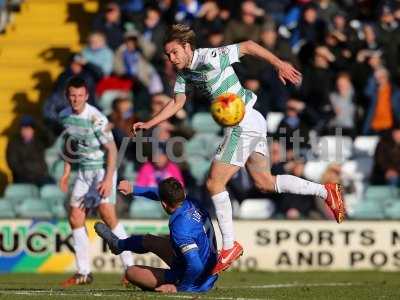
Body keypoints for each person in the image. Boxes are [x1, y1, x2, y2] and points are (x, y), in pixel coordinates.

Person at [132, 24, 345, 275]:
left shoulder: (210, 57)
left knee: (213, 183)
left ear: (187, 47)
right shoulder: (184, 75)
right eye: (168, 55)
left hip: (243, 122)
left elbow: (249, 46)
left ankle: (229, 246)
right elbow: (178, 102)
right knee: (264, 181)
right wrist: (150, 122)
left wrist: (279, 64)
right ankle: (326, 191)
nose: (171, 58)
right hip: (250, 121)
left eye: (174, 52)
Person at [58, 77, 133, 286]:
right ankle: (83, 272)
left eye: (80, 95)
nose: (76, 99)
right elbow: (68, 144)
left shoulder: (96, 118)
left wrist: (108, 179)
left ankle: (130, 268)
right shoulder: (64, 116)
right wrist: (66, 173)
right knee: (75, 217)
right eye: (72, 95)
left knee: (107, 214)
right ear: (67, 96)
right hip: (83, 172)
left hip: (102, 170)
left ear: (87, 96)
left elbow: (112, 150)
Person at [94, 177, 218, 293]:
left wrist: (178, 288)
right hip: (207, 266)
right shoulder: (192, 201)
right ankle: (118, 244)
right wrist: (133, 189)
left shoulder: (180, 227)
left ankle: (175, 283)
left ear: (164, 204)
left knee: (131, 272)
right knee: (149, 240)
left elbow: (196, 266)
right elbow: (158, 194)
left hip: (195, 278)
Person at [6, 115, 54, 187]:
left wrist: (39, 125)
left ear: (33, 130)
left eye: (28, 128)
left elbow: (51, 139)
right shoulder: (14, 143)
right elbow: (13, 163)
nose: (25, 131)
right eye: (23, 129)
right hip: (23, 178)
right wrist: (27, 173)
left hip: (40, 176)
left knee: (52, 188)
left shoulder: (38, 140)